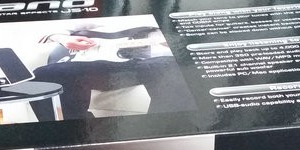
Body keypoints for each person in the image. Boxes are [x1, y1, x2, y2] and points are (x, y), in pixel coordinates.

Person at [32, 25, 195, 120]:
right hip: (92, 57)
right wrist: (62, 38)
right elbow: (45, 33)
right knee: (43, 77)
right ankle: (80, 140)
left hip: (148, 57)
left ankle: (161, 138)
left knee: (169, 69)